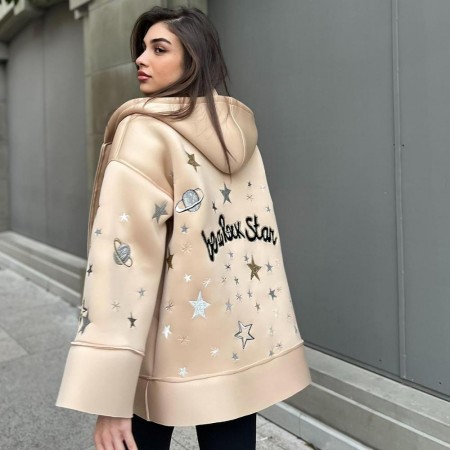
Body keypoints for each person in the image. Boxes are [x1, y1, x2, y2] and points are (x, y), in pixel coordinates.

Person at [56, 6, 311, 450]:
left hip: (159, 350)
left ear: (193, 59)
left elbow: (123, 262)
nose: (141, 58)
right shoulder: (237, 133)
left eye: (159, 49)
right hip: (235, 348)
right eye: (142, 48)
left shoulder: (145, 133)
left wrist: (110, 396)